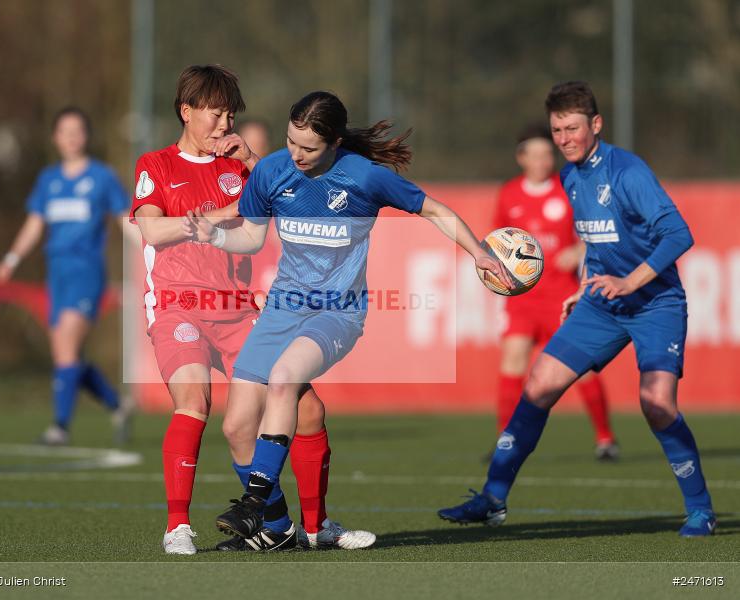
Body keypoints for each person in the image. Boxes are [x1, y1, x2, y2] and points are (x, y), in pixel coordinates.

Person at [184, 90, 513, 542]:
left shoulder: (364, 177)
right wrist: (215, 237)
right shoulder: (271, 170)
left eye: (309, 147)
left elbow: (434, 209)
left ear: (335, 142)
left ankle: (254, 505)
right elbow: (253, 239)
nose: (297, 154)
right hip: (282, 308)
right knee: (236, 426)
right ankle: (277, 530)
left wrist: (479, 253)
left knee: (284, 379)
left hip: (338, 314)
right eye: (291, 141)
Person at [438, 81, 716, 537]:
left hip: (655, 304)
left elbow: (678, 235)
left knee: (657, 404)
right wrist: (588, 278)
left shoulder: (628, 173)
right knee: (540, 384)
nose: (564, 138)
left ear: (596, 125)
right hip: (601, 302)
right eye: (557, 130)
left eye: (572, 128)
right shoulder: (569, 174)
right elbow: (600, 236)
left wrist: (629, 281)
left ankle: (701, 509)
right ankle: (492, 498)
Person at [131, 66, 375, 554]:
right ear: (187, 111)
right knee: (194, 402)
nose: (225, 123)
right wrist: (222, 215)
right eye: (216, 113)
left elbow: (299, 201)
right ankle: (178, 526)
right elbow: (154, 231)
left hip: (237, 310)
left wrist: (252, 157)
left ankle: (311, 525)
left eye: (229, 114)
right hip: (179, 306)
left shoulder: (239, 166)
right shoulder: (155, 165)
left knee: (307, 408)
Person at [0, 106, 136, 446]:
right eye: (64, 131)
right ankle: (119, 404)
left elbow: (125, 219)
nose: (71, 137)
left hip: (86, 273)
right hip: (55, 275)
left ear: (86, 136)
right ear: (56, 137)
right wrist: (11, 258)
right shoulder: (48, 180)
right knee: (66, 354)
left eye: (78, 130)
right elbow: (34, 224)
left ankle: (59, 426)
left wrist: (154, 251)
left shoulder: (102, 177)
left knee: (67, 345)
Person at [492, 124, 617, 461]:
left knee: (581, 368)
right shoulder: (509, 194)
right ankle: (507, 440)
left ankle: (605, 438)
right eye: (534, 154)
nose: (542, 161)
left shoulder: (569, 189)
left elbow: (593, 233)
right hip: (523, 300)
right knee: (512, 360)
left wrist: (577, 253)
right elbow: (498, 242)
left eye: (547, 154)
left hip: (562, 297)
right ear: (522, 158)